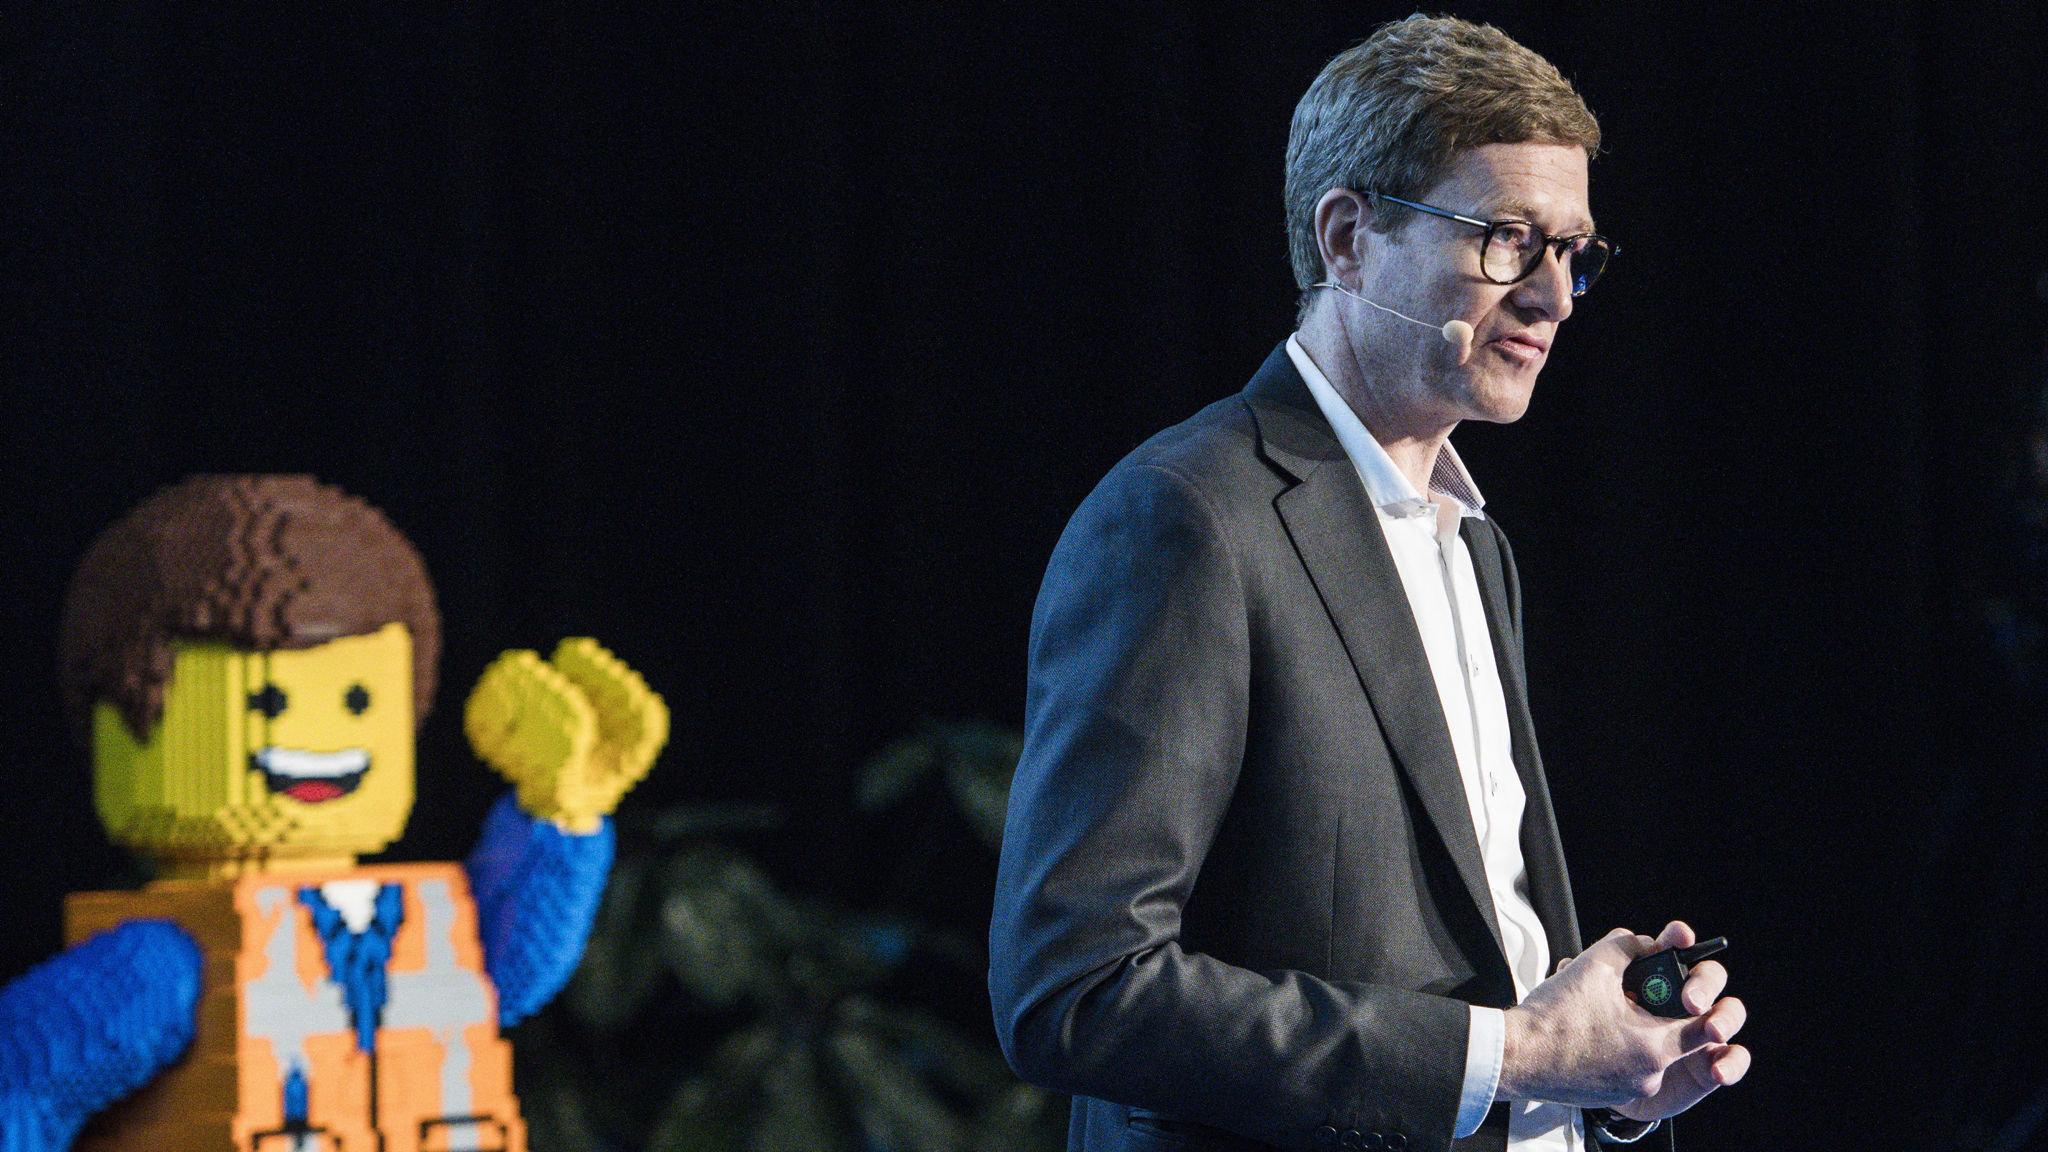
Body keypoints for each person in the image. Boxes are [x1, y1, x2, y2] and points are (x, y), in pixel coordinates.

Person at [989, 16, 1748, 1152]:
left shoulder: (1474, 543)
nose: (1553, 298)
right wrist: (1520, 1055)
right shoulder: (1186, 519)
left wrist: (1606, 1077)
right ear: (1347, 239)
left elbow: (1490, 977)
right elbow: (1077, 991)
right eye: (1507, 240)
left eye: (1572, 253)